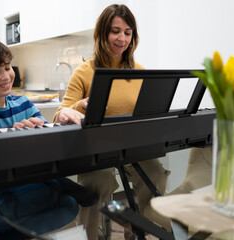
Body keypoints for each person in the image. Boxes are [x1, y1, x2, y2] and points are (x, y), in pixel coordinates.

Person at [0, 32, 97, 240]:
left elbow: (50, 153)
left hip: (20, 190)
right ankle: (58, 184)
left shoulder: (25, 104)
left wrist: (44, 133)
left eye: (8, 68)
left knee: (69, 206)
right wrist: (14, 139)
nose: (5, 76)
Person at [53, 4, 171, 240]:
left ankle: (146, 231)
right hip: (95, 149)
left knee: (156, 173)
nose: (122, 38)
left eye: (128, 33)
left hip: (132, 147)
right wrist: (82, 105)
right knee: (99, 181)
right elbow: (60, 114)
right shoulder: (84, 72)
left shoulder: (140, 72)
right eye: (115, 31)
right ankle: (90, 235)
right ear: (102, 33)